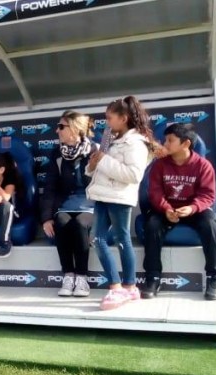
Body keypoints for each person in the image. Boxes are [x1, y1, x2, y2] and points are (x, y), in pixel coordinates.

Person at [142, 123, 216, 301]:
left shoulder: (203, 165)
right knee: (152, 225)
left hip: (193, 210)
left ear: (186, 143)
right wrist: (166, 209)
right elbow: (155, 193)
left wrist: (192, 208)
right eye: (165, 140)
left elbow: (208, 195)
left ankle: (214, 277)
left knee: (211, 224)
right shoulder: (159, 165)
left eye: (170, 140)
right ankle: (152, 278)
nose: (165, 144)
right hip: (167, 210)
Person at [86, 96, 153, 311]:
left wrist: (103, 160)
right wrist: (93, 164)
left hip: (119, 198)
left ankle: (124, 287)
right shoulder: (112, 140)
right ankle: (122, 287)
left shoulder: (136, 143)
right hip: (102, 195)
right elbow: (99, 170)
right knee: (97, 239)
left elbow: (133, 175)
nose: (106, 122)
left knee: (121, 239)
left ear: (123, 118)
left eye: (109, 118)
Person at [40, 110, 98, 297]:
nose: (57, 130)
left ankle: (82, 277)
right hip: (66, 204)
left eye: (61, 127)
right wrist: (46, 218)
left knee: (80, 224)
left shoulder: (95, 151)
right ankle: (68, 275)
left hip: (92, 205)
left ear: (75, 128)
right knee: (62, 222)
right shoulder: (57, 154)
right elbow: (50, 187)